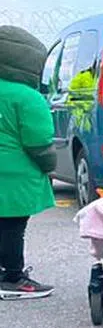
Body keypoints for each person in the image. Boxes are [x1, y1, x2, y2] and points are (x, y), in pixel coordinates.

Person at [0, 25, 56, 300]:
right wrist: (49, 165)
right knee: (12, 226)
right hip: (14, 176)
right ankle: (12, 277)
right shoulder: (27, 97)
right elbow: (38, 141)